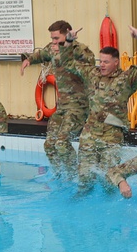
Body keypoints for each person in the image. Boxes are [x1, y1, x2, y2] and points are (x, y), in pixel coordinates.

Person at [76, 25, 137, 189]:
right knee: (84, 177)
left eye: (106, 62)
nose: (102, 65)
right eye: (101, 61)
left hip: (111, 136)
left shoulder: (126, 78)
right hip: (89, 135)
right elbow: (70, 64)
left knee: (109, 179)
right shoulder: (92, 74)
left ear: (116, 62)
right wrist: (69, 42)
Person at [20, 20, 96, 179]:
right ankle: (60, 175)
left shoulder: (81, 50)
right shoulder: (52, 47)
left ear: (67, 33)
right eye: (52, 38)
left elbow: (88, 68)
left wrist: (65, 49)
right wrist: (29, 60)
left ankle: (74, 176)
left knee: (62, 143)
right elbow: (42, 54)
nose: (53, 42)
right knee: (49, 145)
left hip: (78, 107)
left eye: (56, 38)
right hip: (62, 107)